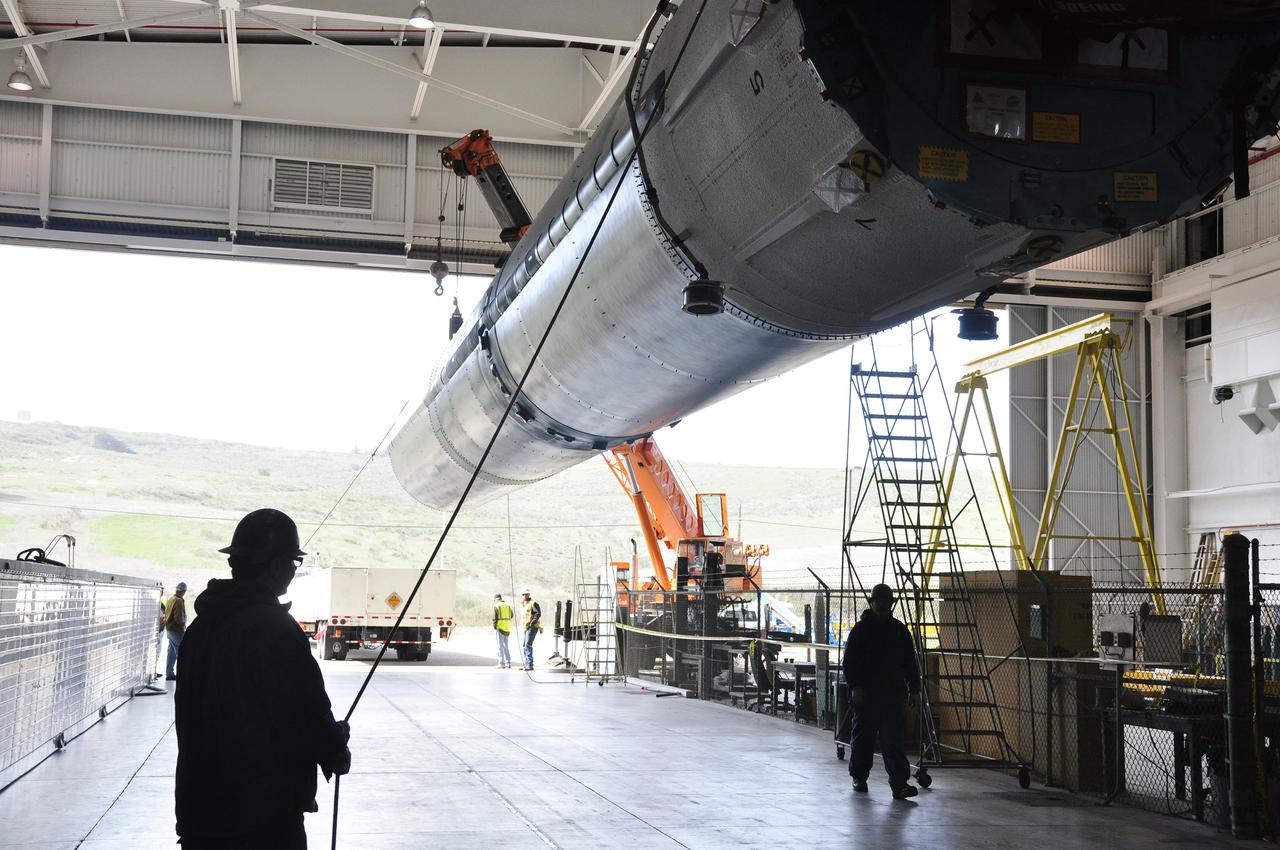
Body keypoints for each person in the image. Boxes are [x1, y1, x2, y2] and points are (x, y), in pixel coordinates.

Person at [175, 508, 351, 849]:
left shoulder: (201, 627)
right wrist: (334, 747)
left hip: (200, 813)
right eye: (292, 561)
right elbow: (305, 711)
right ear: (273, 566)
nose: (292, 570)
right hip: (262, 819)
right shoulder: (276, 629)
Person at [842, 583, 921, 800]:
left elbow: (909, 664)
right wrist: (856, 687)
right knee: (863, 739)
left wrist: (914, 689)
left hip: (892, 696)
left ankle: (899, 784)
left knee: (893, 741)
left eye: (886, 602)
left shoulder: (899, 631)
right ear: (872, 603)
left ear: (890, 604)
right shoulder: (861, 631)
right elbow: (849, 663)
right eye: (879, 601)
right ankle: (859, 777)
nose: (882, 605)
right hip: (867, 696)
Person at [163, 582, 188, 681]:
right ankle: (183, 675)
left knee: (171, 652)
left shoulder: (170, 599)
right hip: (177, 631)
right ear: (184, 591)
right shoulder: (178, 601)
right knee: (181, 653)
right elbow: (179, 618)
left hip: (169, 629)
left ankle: (169, 673)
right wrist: (183, 628)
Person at [520, 589, 542, 671]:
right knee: (524, 645)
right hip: (526, 627)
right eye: (523, 594)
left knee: (527, 645)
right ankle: (526, 664)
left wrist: (532, 623)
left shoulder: (533, 603)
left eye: (526, 594)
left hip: (532, 627)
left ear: (529, 595)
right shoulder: (523, 604)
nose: (525, 596)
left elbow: (538, 613)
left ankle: (529, 665)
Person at [493, 593, 514, 669]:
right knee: (506, 646)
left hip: (500, 628)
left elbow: (494, 618)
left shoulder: (496, 606)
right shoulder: (508, 606)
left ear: (496, 599)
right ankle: (508, 663)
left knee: (500, 646)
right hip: (507, 628)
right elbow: (511, 615)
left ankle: (501, 663)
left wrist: (495, 626)